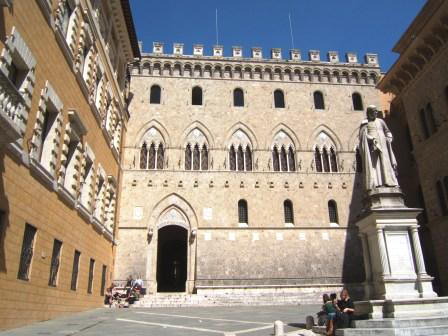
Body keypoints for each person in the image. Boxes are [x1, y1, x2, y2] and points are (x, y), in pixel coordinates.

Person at [358, 105, 398, 191]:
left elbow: (387, 131)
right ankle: (377, 183)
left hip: (383, 146)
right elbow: (362, 136)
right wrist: (370, 139)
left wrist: (389, 138)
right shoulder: (365, 123)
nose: (376, 113)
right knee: (375, 165)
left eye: (376, 111)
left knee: (386, 163)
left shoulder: (381, 121)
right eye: (374, 111)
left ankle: (389, 182)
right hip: (373, 146)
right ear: (369, 113)